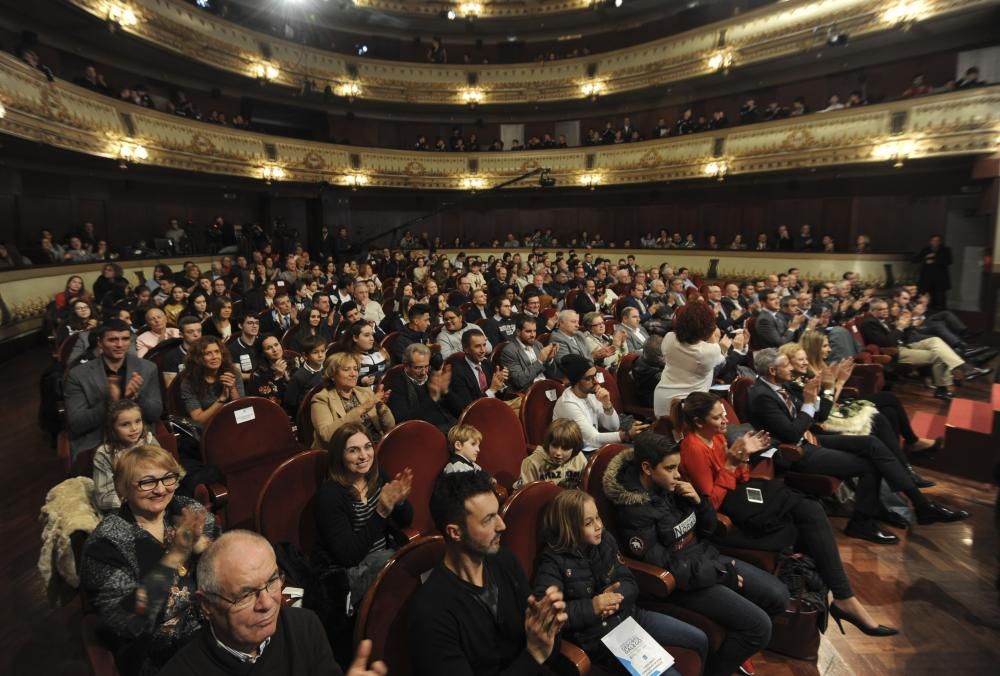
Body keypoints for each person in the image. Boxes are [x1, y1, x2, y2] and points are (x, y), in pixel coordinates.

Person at [674, 392, 899, 638]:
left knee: (808, 509)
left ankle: (836, 600)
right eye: (718, 417)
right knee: (807, 517)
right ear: (698, 422)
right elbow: (711, 504)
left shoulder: (716, 438)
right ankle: (840, 600)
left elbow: (742, 478)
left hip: (741, 500)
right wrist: (731, 463)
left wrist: (743, 457)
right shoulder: (693, 448)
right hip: (724, 520)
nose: (726, 421)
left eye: (725, 414)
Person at [603, 433, 789, 676]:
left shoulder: (671, 485)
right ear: (647, 468)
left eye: (677, 467)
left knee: (779, 595)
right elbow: (665, 565)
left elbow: (708, 530)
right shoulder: (632, 511)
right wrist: (721, 574)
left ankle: (734, 653)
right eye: (670, 468)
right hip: (678, 584)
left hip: (704, 561)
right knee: (759, 627)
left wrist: (699, 502)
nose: (677, 474)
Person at [748, 349, 968, 541]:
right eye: (786, 365)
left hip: (809, 439)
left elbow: (821, 414)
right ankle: (863, 522)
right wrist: (807, 403)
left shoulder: (785, 386)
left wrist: (822, 390)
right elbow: (790, 433)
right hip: (793, 452)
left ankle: (920, 504)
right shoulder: (762, 396)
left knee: (871, 443)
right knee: (867, 465)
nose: (791, 369)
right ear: (772, 371)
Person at [162, 530, 388, 676]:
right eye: (246, 595)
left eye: (272, 581)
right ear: (207, 605)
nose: (267, 604)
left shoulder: (305, 626)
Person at [408, 471, 569, 675]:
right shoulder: (431, 611)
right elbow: (535, 655)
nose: (502, 525)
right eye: (488, 520)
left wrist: (548, 628)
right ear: (455, 532)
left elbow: (545, 651)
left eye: (498, 514)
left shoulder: (504, 560)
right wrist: (534, 654)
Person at [533, 490, 708, 675]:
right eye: (588, 523)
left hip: (630, 615)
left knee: (700, 639)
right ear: (569, 527)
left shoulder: (605, 540)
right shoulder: (552, 561)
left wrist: (615, 598)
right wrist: (593, 607)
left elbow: (628, 581)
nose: (598, 526)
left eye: (597, 518)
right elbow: (547, 614)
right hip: (601, 636)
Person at [81, 445, 219, 676]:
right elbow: (127, 622)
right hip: (158, 655)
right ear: (122, 488)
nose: (161, 489)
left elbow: (229, 566)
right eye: (147, 482)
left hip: (216, 628)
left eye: (168, 478)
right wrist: (176, 555)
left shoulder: (187, 509)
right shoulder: (105, 544)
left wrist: (205, 547)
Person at [315, 423, 413, 604]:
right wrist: (381, 512)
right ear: (340, 457)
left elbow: (406, 521)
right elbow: (349, 556)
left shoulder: (377, 476)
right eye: (353, 450)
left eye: (367, 447)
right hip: (353, 572)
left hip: (385, 558)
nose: (363, 456)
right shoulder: (330, 494)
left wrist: (399, 502)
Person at [800, 330, 938, 454]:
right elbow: (827, 408)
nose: (829, 349)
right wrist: (840, 381)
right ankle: (910, 443)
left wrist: (838, 378)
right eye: (825, 346)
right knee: (888, 398)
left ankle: (898, 455)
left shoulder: (821, 365)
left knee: (890, 411)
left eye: (828, 345)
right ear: (814, 348)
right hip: (833, 414)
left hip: (840, 404)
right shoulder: (810, 374)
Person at [65, 320, 162, 459]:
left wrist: (136, 397)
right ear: (100, 343)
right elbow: (77, 424)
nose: (120, 345)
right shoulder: (78, 375)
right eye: (113, 339)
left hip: (139, 441)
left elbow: (155, 414)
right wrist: (109, 401)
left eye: (125, 339)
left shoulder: (147, 368)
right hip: (98, 441)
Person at [860, 300, 988, 400]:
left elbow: (903, 336)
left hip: (903, 345)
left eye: (885, 308)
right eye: (881, 309)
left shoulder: (884, 320)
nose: (885, 311)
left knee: (935, 340)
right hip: (893, 352)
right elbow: (886, 342)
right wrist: (899, 328)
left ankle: (964, 367)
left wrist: (908, 326)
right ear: (872, 310)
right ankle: (944, 387)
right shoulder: (869, 323)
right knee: (939, 355)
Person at [552, 354, 647, 454]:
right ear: (576, 381)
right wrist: (626, 435)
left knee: (644, 445)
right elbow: (593, 439)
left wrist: (607, 404)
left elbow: (613, 427)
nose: (596, 381)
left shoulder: (590, 394)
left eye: (595, 376)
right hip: (578, 453)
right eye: (589, 378)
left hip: (595, 446)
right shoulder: (568, 403)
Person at [653, 303, 729, 417]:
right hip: (689, 408)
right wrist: (721, 345)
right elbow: (720, 358)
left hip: (661, 401)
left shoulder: (669, 338)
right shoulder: (708, 352)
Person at [311, 352, 395, 447]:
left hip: (375, 444)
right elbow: (326, 435)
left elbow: (390, 426)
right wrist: (362, 408)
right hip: (343, 450)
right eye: (347, 370)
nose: (353, 374)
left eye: (355, 369)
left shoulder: (365, 392)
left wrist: (380, 405)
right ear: (332, 375)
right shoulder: (321, 399)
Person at [92, 400, 161, 513]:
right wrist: (136, 503)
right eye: (125, 424)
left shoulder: (149, 442)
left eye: (138, 421)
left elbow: (166, 471)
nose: (134, 428)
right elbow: (104, 497)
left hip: (155, 500)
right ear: (112, 428)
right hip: (123, 509)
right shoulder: (104, 454)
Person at [386, 343, 457, 432]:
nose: (424, 372)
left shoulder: (434, 376)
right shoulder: (398, 385)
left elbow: (458, 409)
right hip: (424, 432)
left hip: (450, 426)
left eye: (426, 366)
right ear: (407, 366)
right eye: (418, 368)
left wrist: (446, 392)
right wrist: (431, 399)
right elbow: (403, 421)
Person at [178, 336, 245, 429]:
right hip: (209, 427)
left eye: (217, 352)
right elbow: (198, 420)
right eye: (208, 353)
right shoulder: (189, 382)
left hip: (234, 422)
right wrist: (222, 398)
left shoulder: (232, 372)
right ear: (198, 358)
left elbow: (243, 410)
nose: (214, 357)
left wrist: (232, 389)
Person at [443, 329, 508, 418]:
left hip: (493, 409)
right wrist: (492, 389)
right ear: (466, 349)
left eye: (484, 345)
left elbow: (501, 396)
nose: (483, 350)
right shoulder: (457, 373)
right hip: (474, 418)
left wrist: (501, 384)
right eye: (477, 346)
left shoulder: (487, 364)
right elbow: (468, 408)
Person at [514, 418, 588, 490]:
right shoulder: (531, 463)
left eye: (565, 448)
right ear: (548, 443)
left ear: (574, 448)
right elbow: (527, 497)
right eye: (554, 446)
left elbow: (585, 487)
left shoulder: (579, 458)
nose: (558, 453)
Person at [499, 315, 559, 392]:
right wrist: (540, 361)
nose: (533, 335)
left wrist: (550, 360)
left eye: (534, 331)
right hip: (528, 391)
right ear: (518, 332)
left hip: (545, 386)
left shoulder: (538, 344)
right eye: (528, 331)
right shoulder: (509, 351)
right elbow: (519, 381)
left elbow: (553, 374)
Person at [284, 334, 326, 416]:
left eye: (323, 351)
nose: (320, 355)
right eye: (315, 352)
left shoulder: (328, 369)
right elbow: (290, 403)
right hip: (307, 413)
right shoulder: (298, 376)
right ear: (305, 356)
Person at [912, 234, 952, 311]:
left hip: (940, 279)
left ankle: (942, 315)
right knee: (927, 299)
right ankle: (929, 314)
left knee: (940, 299)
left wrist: (933, 259)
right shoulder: (926, 250)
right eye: (933, 240)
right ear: (930, 241)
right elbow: (915, 260)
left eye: (937, 241)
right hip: (927, 279)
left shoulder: (945, 250)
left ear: (940, 242)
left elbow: (948, 261)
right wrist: (926, 257)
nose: (935, 242)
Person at [346, 320, 390, 387]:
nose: (372, 339)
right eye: (366, 335)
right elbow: (344, 380)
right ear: (355, 338)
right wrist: (360, 381)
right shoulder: (348, 358)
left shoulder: (381, 351)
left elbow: (391, 370)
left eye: (372, 335)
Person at [632, 334, 665, 408]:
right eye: (664, 355)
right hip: (655, 404)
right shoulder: (656, 376)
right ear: (658, 358)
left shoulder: (643, 357)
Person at [227, 314, 260, 382]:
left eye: (257, 323)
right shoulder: (233, 348)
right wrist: (258, 376)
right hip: (247, 386)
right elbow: (238, 375)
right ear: (240, 326)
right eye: (250, 323)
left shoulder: (263, 342)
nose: (255, 326)